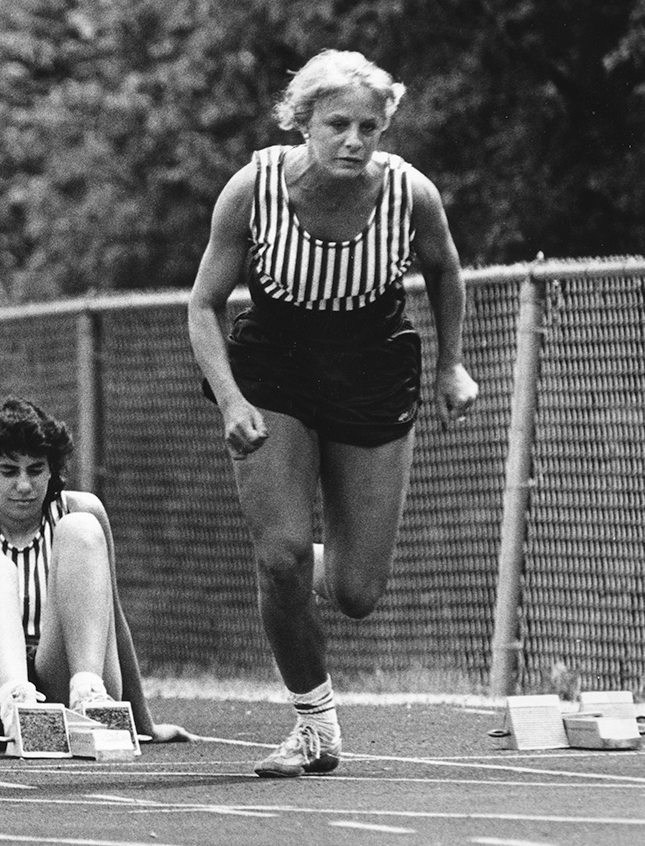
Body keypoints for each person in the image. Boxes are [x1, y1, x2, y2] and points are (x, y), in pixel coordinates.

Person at [186, 50, 477, 778]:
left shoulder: (410, 194)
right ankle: (313, 722)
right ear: (303, 122)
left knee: (357, 593)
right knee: (281, 555)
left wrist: (450, 365)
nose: (354, 140)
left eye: (369, 127)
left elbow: (444, 269)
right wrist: (230, 398)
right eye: (338, 124)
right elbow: (202, 304)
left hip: (371, 363)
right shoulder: (252, 189)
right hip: (275, 365)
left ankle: (304, 565)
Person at [0, 398, 188, 749]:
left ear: (52, 471)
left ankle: (89, 694)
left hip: (57, 672)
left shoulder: (79, 508)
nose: (24, 486)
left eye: (36, 470)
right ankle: (18, 704)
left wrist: (144, 723)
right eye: (9, 471)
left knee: (82, 527)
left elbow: (112, 621)